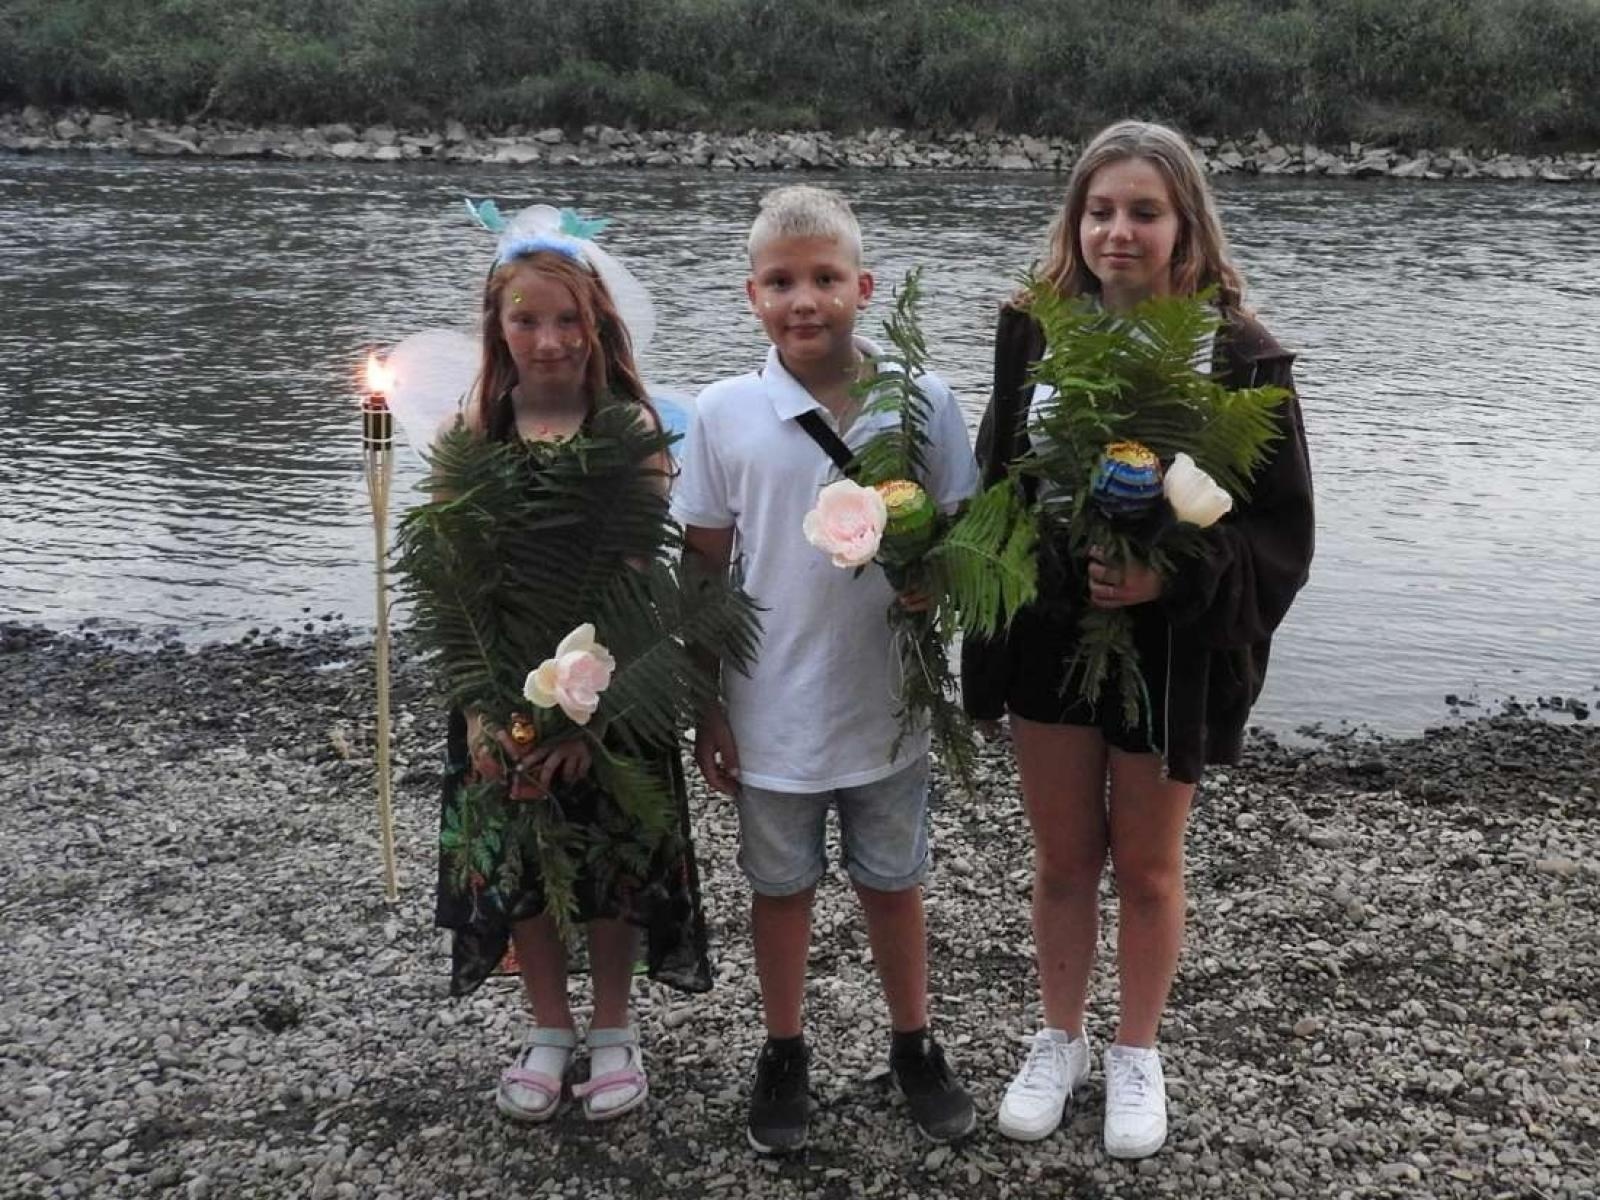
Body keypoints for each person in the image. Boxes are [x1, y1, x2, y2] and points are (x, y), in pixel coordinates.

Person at [962, 120, 1315, 1158]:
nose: (1118, 231)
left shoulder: (1240, 354)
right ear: (1075, 223)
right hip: (1048, 632)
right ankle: (1058, 1038)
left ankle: (1137, 1053)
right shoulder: (1031, 329)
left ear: (1185, 226)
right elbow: (998, 475)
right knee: (1063, 859)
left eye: (1143, 212)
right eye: (1100, 210)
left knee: (1149, 864)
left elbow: (1280, 530)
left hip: (1171, 646)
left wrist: (1171, 572)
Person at [672, 185, 980, 1152]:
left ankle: (913, 1041)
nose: (804, 300)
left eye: (824, 279)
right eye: (780, 282)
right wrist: (707, 706)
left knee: (894, 879)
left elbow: (967, 536)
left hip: (887, 705)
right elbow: (705, 567)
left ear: (865, 286)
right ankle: (783, 1047)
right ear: (750, 295)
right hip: (768, 714)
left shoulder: (924, 400)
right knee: (781, 886)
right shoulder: (724, 413)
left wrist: (938, 581)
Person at [431, 208, 711, 1126]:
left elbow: (637, 581)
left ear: (596, 324)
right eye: (524, 321)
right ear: (496, 328)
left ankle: (613, 1027)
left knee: (607, 862)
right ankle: (548, 1026)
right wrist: (482, 712)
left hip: (609, 689)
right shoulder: (472, 428)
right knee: (523, 859)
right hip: (495, 685)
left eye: (566, 321)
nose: (546, 341)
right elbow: (455, 582)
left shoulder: (628, 427)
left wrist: (591, 718)